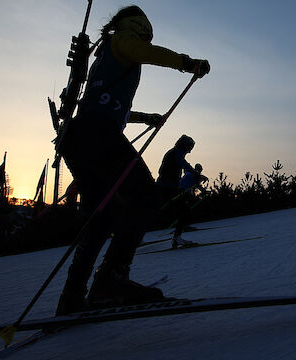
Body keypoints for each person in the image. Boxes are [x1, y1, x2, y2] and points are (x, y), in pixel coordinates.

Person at [55, 5, 210, 315]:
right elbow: (141, 51)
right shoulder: (125, 38)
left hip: (78, 136)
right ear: (142, 27)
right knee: (145, 196)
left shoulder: (104, 55)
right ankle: (112, 278)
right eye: (148, 35)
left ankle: (73, 295)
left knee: (102, 216)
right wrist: (187, 63)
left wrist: (145, 117)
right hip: (99, 134)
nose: (148, 40)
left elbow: (105, 104)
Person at [157, 135, 199, 248]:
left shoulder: (174, 152)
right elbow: (182, 163)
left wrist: (195, 173)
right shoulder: (177, 152)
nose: (190, 151)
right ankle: (177, 238)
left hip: (167, 186)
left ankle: (177, 238)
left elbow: (183, 164)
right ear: (185, 145)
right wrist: (195, 173)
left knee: (178, 211)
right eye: (190, 147)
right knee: (183, 211)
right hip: (167, 187)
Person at [171, 163, 208, 248]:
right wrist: (201, 179)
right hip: (180, 195)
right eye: (199, 170)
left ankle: (177, 237)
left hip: (182, 196)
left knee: (185, 214)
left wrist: (204, 191)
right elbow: (196, 180)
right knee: (184, 214)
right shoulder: (190, 174)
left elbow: (197, 185)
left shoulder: (192, 175)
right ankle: (177, 237)